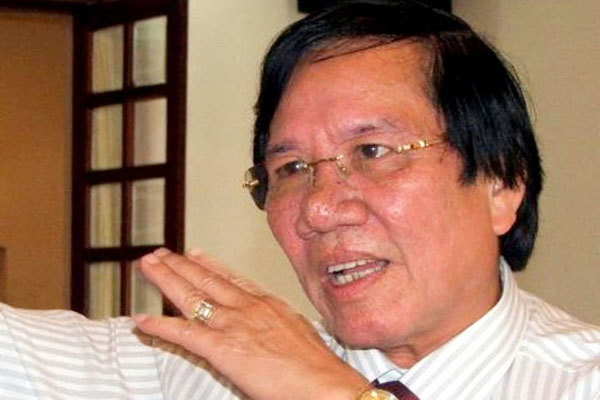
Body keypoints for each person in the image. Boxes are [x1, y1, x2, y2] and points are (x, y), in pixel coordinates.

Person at [1, 1, 598, 399]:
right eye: (290, 169)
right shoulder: (201, 372)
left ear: (501, 184)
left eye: (372, 151)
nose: (318, 209)